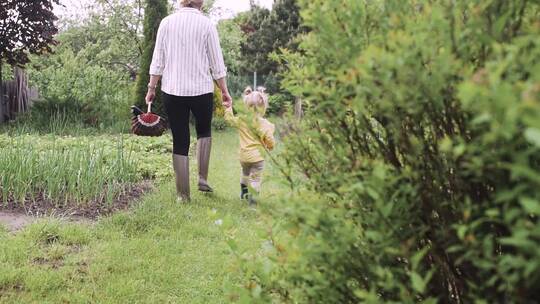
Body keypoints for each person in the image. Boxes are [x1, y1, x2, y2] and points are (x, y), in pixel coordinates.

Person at [145, 0, 232, 202]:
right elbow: (216, 63)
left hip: (173, 90)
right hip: (201, 90)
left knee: (180, 138)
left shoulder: (166, 23)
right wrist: (224, 91)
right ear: (199, 2)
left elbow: (158, 60)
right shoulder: (207, 24)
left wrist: (151, 88)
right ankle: (202, 179)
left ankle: (183, 195)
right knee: (204, 131)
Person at [225, 87, 275, 205]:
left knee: (245, 174)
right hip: (257, 158)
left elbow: (229, 120)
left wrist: (228, 108)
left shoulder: (242, 120)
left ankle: (243, 192)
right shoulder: (265, 124)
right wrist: (270, 146)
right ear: (263, 107)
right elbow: (269, 139)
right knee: (255, 179)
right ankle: (252, 202)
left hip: (244, 157)